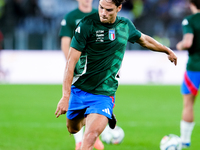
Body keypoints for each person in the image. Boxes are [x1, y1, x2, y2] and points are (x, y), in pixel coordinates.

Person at [55, 0, 177, 150]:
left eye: (108, 10)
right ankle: (94, 115)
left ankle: (100, 114)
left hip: (104, 93)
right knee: (72, 128)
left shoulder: (124, 26)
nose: (103, 13)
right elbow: (70, 62)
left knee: (89, 138)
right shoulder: (87, 24)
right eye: (101, 8)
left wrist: (166, 50)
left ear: (119, 8)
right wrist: (66, 96)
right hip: (80, 89)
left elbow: (144, 40)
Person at [59, 0, 104, 150]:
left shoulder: (100, 15)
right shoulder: (71, 17)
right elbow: (65, 42)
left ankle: (89, 136)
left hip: (96, 70)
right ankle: (81, 140)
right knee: (77, 104)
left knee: (95, 102)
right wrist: (71, 66)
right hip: (78, 70)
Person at [176, 0, 200, 148]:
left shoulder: (189, 20)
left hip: (195, 67)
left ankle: (185, 141)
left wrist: (178, 45)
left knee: (188, 104)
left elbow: (187, 43)